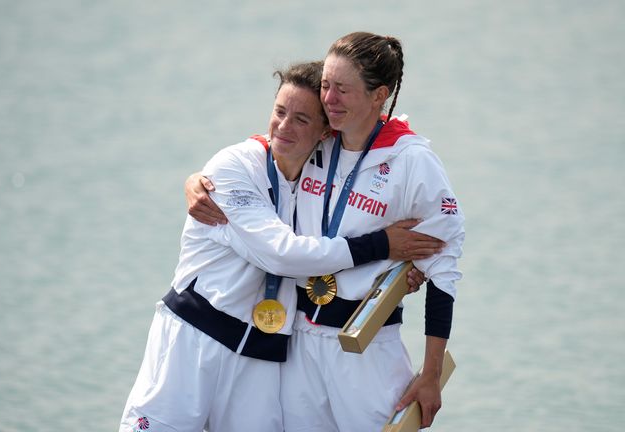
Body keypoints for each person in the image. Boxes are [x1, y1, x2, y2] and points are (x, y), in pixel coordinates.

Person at [120, 61, 442, 432]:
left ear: (325, 133)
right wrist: (381, 245)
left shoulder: (317, 177)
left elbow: (364, 204)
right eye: (279, 112)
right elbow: (282, 253)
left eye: (302, 119)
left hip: (260, 357)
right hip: (194, 339)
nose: (284, 126)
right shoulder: (232, 167)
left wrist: (401, 269)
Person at [185, 32, 465, 431]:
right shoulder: (321, 138)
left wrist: (432, 374)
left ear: (378, 94)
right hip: (297, 342)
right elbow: (265, 148)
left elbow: (444, 270)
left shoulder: (412, 161)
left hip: (365, 347)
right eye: (326, 86)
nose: (329, 100)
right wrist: (195, 179)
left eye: (343, 90)